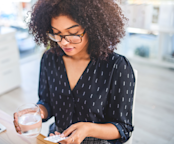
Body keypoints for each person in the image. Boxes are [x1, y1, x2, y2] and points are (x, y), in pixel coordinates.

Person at [13, 0, 135, 143]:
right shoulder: (50, 59)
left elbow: (123, 128)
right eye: (56, 33)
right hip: (55, 139)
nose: (64, 42)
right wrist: (38, 112)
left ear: (93, 27)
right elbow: (47, 102)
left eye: (72, 33)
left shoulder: (117, 67)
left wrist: (88, 129)